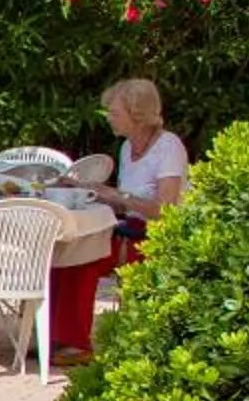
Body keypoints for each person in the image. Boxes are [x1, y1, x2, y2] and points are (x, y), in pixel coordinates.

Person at [49, 77, 190, 360]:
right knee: (66, 251)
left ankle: (74, 342)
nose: (109, 118)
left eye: (115, 113)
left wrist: (115, 196)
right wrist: (87, 191)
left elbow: (166, 209)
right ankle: (54, 336)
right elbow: (124, 203)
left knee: (83, 260)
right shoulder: (127, 148)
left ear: (137, 117)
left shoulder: (168, 147)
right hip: (127, 230)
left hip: (156, 238)